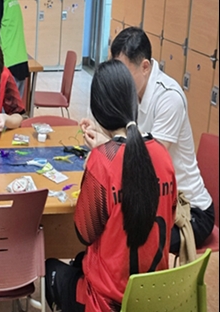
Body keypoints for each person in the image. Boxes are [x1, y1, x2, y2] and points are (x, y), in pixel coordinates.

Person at [46, 59, 177, 312]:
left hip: (108, 310)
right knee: (80, 262)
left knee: (51, 269)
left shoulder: (102, 162)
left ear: (98, 110)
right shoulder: (162, 155)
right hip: (153, 303)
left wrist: (97, 160)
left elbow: (84, 233)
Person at [80, 27, 214, 253]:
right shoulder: (134, 91)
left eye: (124, 73)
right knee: (107, 228)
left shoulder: (169, 98)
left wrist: (105, 146)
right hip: (152, 202)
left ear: (145, 67)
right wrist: (100, 130)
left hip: (188, 211)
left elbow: (150, 163)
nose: (119, 81)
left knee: (120, 240)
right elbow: (126, 137)